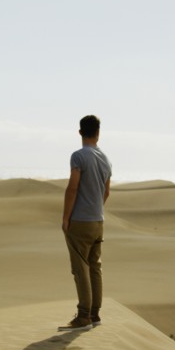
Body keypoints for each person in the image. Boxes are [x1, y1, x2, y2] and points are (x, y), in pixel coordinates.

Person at [59, 114, 112, 331]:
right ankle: (95, 314)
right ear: (98, 133)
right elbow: (107, 192)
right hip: (98, 220)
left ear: (80, 132)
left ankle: (83, 317)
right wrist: (96, 209)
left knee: (80, 268)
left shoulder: (79, 156)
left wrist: (65, 217)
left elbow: (73, 187)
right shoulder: (106, 159)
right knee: (94, 267)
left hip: (80, 220)